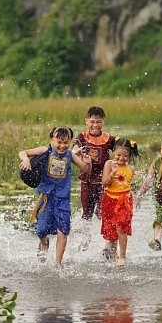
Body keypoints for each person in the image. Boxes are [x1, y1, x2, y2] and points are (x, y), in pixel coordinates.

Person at [19, 126, 92, 265]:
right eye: (59, 142)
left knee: (63, 231)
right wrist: (26, 160)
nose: (62, 146)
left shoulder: (70, 155)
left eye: (66, 142)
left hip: (63, 199)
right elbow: (23, 152)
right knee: (41, 230)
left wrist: (88, 162)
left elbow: (86, 169)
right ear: (52, 139)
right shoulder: (46, 150)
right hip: (45, 197)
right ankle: (43, 241)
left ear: (70, 141)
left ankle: (58, 263)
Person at [74, 107, 115, 250]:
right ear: (86, 121)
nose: (95, 125)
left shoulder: (109, 139)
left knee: (105, 210)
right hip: (86, 178)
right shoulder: (81, 137)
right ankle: (86, 237)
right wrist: (76, 152)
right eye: (92, 121)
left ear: (103, 122)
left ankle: (107, 242)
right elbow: (74, 150)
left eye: (99, 121)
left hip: (103, 180)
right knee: (87, 210)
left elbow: (121, 152)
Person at [100, 138, 140, 266]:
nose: (121, 158)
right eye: (118, 155)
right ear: (113, 152)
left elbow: (131, 176)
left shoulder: (131, 169)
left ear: (129, 155)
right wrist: (113, 173)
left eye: (125, 156)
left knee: (121, 226)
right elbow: (104, 183)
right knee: (111, 229)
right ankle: (114, 256)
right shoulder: (109, 164)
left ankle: (122, 257)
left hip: (124, 201)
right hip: (109, 200)